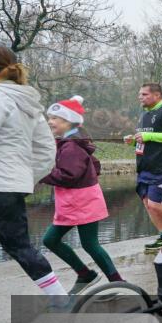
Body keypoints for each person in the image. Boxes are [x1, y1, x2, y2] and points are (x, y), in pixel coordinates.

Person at [0, 46, 70, 306]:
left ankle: (62, 302)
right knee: (20, 246)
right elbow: (47, 152)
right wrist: (24, 178)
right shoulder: (28, 103)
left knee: (18, 246)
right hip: (8, 186)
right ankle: (61, 301)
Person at [40, 96, 122, 293]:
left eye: (55, 118)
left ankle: (118, 282)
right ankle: (86, 274)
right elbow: (93, 165)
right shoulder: (68, 142)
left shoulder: (72, 145)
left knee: (90, 244)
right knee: (50, 240)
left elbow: (68, 175)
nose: (50, 121)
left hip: (83, 201)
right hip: (73, 201)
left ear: (68, 122)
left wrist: (40, 173)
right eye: (50, 117)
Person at [124, 83, 162, 254]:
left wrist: (148, 135)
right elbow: (147, 141)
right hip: (145, 169)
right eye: (140, 94)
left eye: (144, 94)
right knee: (148, 204)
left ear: (157, 95)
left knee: (156, 204)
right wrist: (134, 141)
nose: (140, 97)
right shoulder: (144, 115)